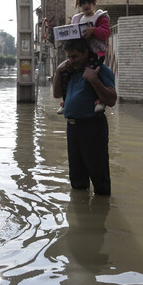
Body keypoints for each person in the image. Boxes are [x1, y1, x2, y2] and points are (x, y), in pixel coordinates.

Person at [53, 38, 117, 195]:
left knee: (98, 175)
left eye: (74, 56)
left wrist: (94, 80)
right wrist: (59, 72)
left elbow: (111, 99)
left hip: (93, 127)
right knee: (76, 178)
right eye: (68, 57)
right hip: (72, 127)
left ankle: (101, 210)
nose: (71, 61)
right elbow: (57, 94)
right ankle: (82, 214)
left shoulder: (100, 70)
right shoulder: (69, 71)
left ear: (86, 53)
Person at [58, 0, 111, 114]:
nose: (85, 6)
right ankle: (64, 101)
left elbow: (106, 33)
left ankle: (99, 100)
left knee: (94, 74)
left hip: (95, 54)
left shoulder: (100, 17)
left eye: (88, 2)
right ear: (79, 4)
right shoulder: (77, 19)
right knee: (65, 73)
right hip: (80, 53)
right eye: (82, 3)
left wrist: (93, 30)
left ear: (95, 2)